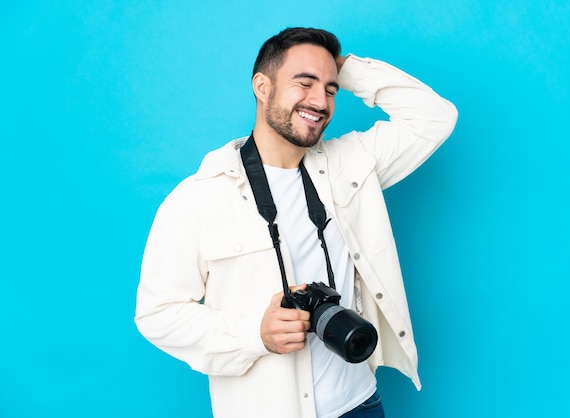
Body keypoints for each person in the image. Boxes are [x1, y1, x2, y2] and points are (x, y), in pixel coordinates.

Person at [135, 27, 457, 418]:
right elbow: (157, 313)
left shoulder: (351, 164)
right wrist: (253, 334)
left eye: (331, 89)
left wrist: (343, 68)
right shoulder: (197, 198)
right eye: (304, 83)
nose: (320, 101)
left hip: (360, 403)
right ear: (262, 86)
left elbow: (436, 118)